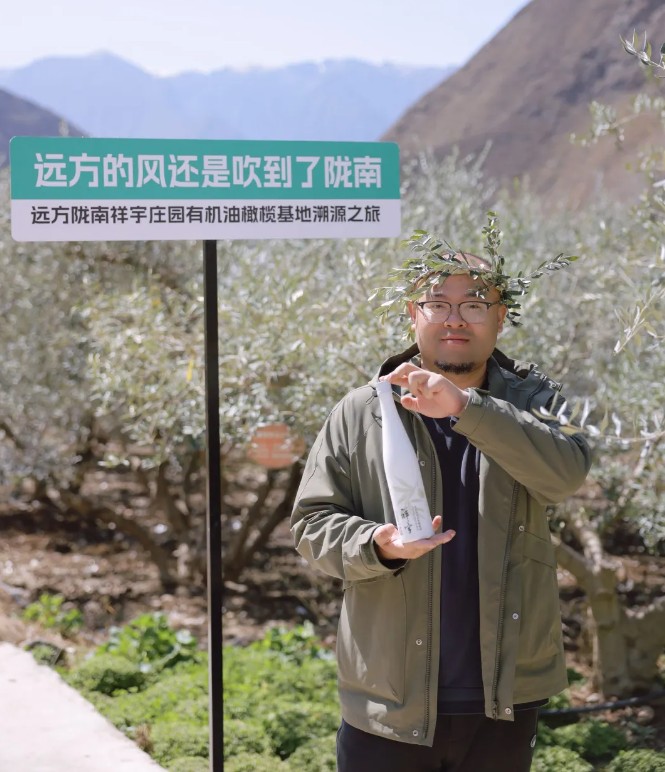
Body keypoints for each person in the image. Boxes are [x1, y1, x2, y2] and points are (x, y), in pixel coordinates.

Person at [290, 243, 592, 772]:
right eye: (437, 303)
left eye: (474, 304)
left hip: (503, 696)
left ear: (500, 317)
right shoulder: (363, 411)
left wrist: (466, 407)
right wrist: (376, 545)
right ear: (414, 313)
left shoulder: (535, 402)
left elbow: (565, 475)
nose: (455, 319)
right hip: (387, 695)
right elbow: (312, 524)